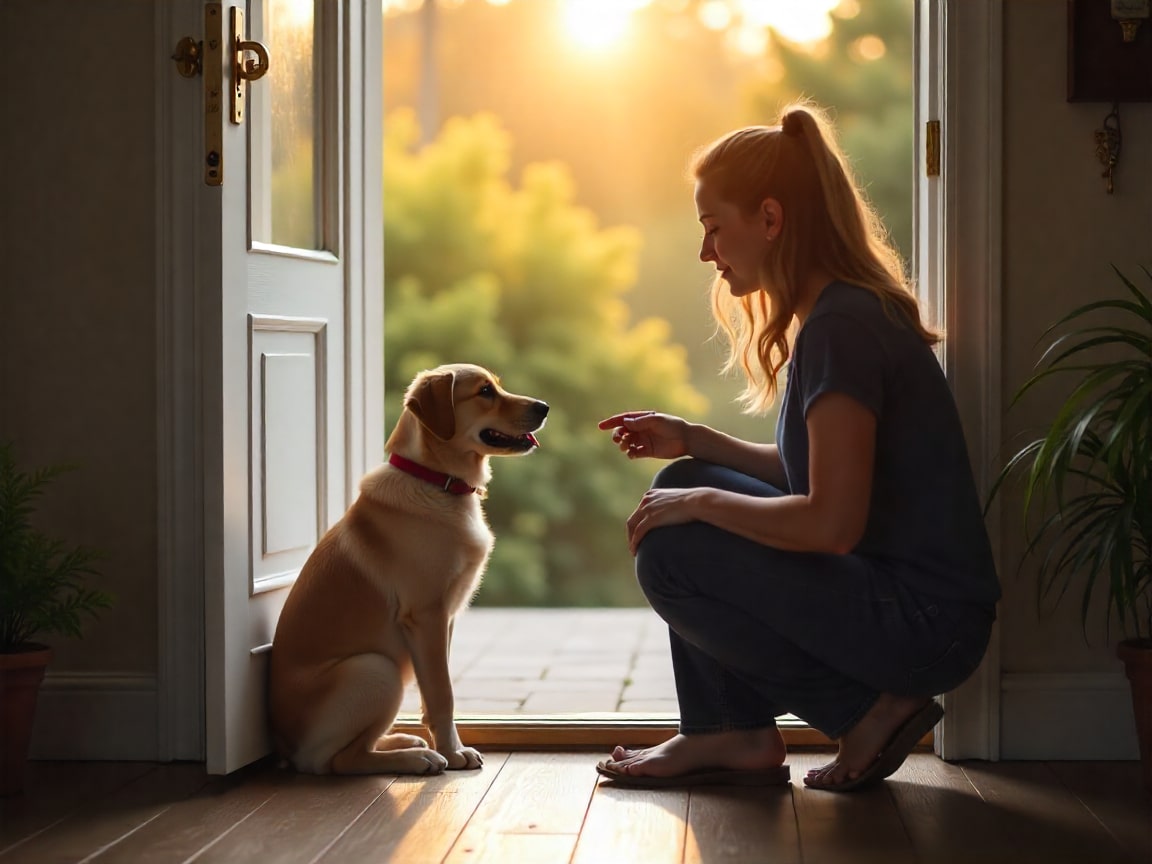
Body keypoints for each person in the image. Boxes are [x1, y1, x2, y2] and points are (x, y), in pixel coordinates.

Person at [595, 103, 1000, 792]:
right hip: (909, 605)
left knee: (674, 545)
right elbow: (810, 474)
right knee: (684, 481)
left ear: (772, 220)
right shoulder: (839, 315)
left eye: (715, 229)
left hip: (927, 623)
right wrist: (693, 443)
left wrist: (699, 502)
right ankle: (732, 731)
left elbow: (830, 522)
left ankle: (862, 714)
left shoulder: (842, 328)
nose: (705, 252)